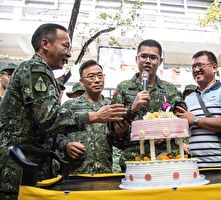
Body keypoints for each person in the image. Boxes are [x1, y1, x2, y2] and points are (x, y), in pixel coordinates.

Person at [0, 23, 127, 199]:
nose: (68, 53)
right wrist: (94, 116)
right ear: (45, 44)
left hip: (32, 168)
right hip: (18, 170)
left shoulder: (43, 72)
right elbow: (48, 118)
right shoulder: (35, 69)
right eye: (65, 46)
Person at [111, 39, 185, 171]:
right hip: (134, 157)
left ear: (160, 62)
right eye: (143, 56)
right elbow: (114, 127)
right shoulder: (123, 88)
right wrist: (132, 109)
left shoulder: (171, 90)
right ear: (137, 58)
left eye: (153, 57)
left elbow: (182, 121)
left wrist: (165, 134)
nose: (148, 61)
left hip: (166, 157)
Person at [175, 50, 221, 168]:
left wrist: (196, 120)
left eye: (200, 65)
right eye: (193, 67)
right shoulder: (188, 99)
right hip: (195, 168)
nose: (196, 69)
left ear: (214, 67)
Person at [56, 60, 121, 174]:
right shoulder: (70, 106)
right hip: (76, 173)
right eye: (91, 76)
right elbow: (56, 133)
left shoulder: (111, 106)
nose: (97, 80)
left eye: (100, 76)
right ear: (81, 82)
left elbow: (119, 142)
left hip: (105, 172)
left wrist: (121, 133)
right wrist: (66, 145)